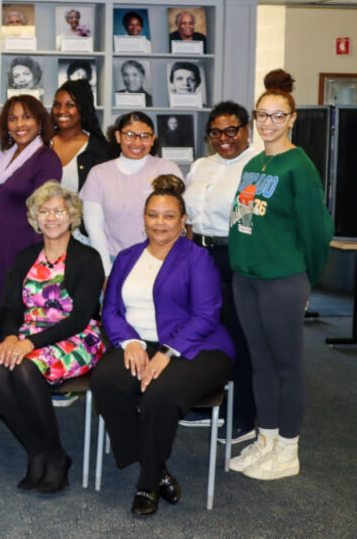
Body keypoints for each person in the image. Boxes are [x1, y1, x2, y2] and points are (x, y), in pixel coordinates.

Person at [91, 176, 234, 517]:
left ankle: (148, 481)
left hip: (198, 346)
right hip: (139, 340)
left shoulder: (196, 258)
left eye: (169, 216)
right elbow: (110, 309)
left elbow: (206, 314)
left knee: (160, 395)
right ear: (144, 218)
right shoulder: (127, 257)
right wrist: (130, 342)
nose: (160, 223)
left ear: (183, 221)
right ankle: (155, 464)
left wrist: (167, 352)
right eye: (153, 214)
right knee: (105, 382)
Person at [227, 70, 334, 480]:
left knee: (286, 364)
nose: (268, 123)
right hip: (247, 278)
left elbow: (317, 230)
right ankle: (266, 439)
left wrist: (307, 280)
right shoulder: (256, 162)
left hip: (282, 280)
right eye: (262, 115)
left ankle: (288, 449)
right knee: (260, 362)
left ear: (292, 119)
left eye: (277, 115)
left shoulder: (298, 165)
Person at [0, 181, 106, 493]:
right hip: (29, 333)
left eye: (59, 211)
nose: (52, 217)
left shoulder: (88, 259)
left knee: (26, 367)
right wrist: (11, 338)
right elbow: (10, 307)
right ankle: (36, 451)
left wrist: (28, 344)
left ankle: (55, 456)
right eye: (45, 211)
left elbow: (80, 317)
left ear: (72, 216)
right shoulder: (26, 256)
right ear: (36, 218)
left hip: (76, 336)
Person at [184, 101, 259, 443]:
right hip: (199, 255)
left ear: (247, 130)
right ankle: (205, 400)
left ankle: (243, 412)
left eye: (232, 130)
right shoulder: (200, 165)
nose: (224, 138)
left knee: (239, 335)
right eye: (216, 132)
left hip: (236, 256)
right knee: (203, 333)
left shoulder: (258, 165)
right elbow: (187, 217)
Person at [0, 95, 63, 347]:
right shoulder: (2, 157)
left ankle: (6, 375)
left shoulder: (46, 158)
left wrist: (40, 259)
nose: (19, 124)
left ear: (40, 122)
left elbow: (46, 210)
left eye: (26, 117)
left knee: (13, 310)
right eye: (13, 119)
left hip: (21, 247)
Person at [81, 112, 183, 274]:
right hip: (115, 261)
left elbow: (177, 221)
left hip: (162, 261)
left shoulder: (167, 169)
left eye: (144, 136)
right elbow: (95, 229)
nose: (137, 142)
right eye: (130, 135)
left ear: (153, 138)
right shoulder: (99, 174)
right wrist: (107, 271)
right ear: (118, 136)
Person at [50, 80, 112, 194]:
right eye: (57, 105)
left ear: (83, 109)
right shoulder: (41, 143)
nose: (61, 111)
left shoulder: (98, 148)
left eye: (70, 105)